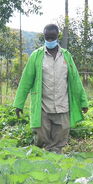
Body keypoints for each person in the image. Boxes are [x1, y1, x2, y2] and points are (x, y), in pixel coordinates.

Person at [13, 24, 88, 154]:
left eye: (52, 37)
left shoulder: (66, 56)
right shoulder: (36, 56)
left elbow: (75, 81)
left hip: (62, 106)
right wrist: (19, 104)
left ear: (57, 36)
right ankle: (43, 163)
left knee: (60, 140)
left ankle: (56, 165)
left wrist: (83, 102)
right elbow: (25, 81)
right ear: (44, 37)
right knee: (42, 138)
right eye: (47, 37)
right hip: (43, 107)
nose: (49, 40)